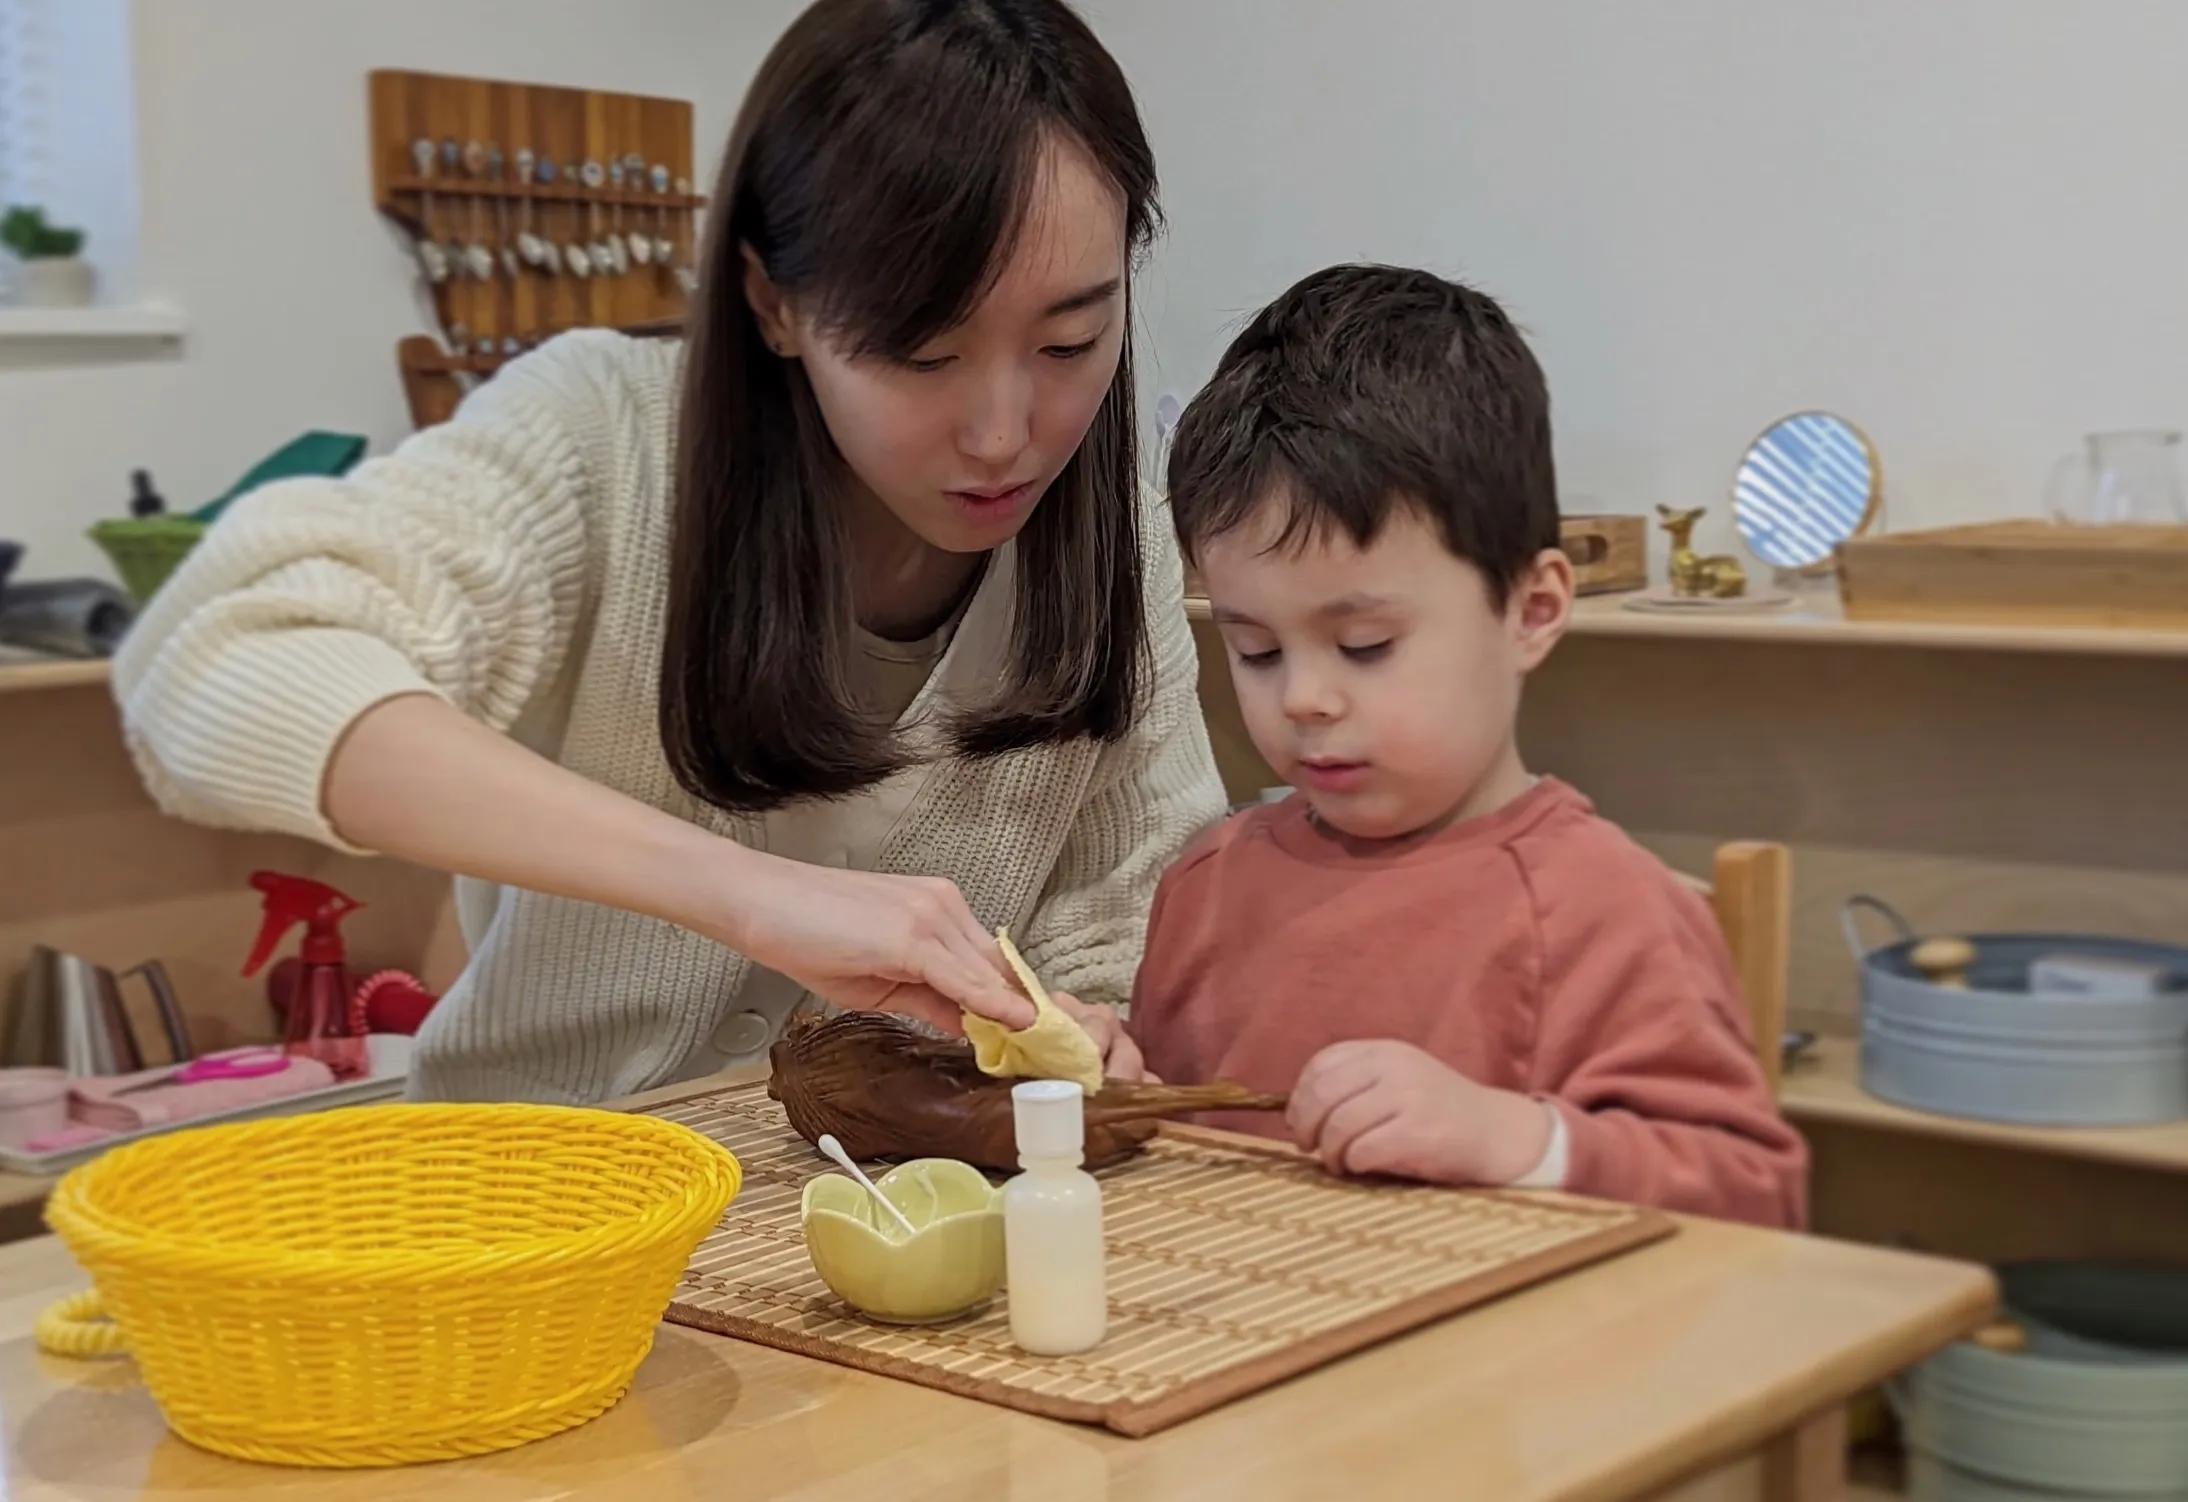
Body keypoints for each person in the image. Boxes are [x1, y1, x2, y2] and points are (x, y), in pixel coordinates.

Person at [110, 0, 1223, 1105]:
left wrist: (1091, 1027)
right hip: (529, 1204)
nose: (1003, 431)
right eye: (921, 354)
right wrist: (743, 891)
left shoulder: (1118, 542)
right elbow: (225, 660)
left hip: (878, 1236)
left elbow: (1123, 936)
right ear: (772, 303)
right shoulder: (603, 442)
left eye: (1070, 340)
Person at [1125, 264, 1807, 1228]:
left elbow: (1754, 1199)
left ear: (1531, 611)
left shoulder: (1606, 915)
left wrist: (1518, 1140)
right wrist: (1104, 1089)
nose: (1306, 699)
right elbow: (1169, 1151)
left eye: (1366, 646)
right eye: (1256, 649)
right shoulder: (1205, 889)